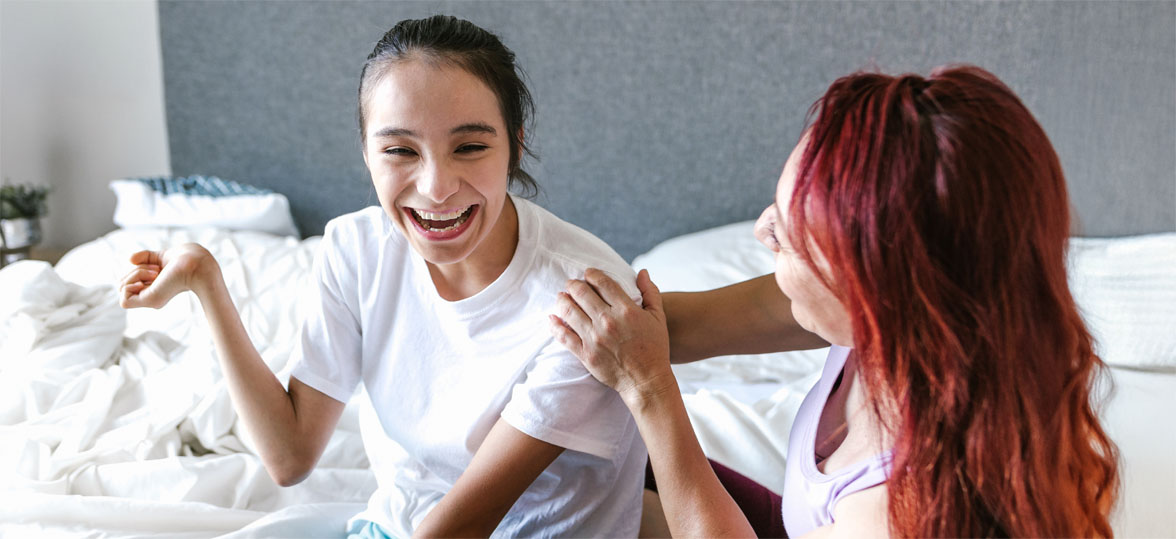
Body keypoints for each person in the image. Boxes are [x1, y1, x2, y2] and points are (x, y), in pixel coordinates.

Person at [120, 15, 646, 538]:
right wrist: (205, 281)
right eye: (400, 150)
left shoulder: (583, 297)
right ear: (366, 151)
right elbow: (290, 456)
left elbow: (464, 527)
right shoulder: (356, 250)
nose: (437, 188)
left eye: (469, 147)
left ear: (515, 144)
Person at [551, 65, 1120, 537]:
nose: (761, 232)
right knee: (592, 465)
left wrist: (650, 392)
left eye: (794, 238)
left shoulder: (894, 512)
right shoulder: (928, 315)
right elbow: (696, 324)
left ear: (873, 292)